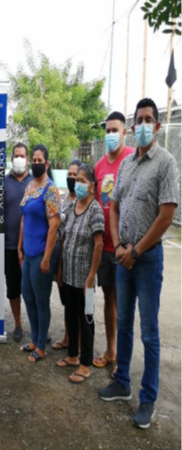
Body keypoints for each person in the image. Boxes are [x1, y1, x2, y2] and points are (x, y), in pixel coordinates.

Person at [99, 98, 179, 429]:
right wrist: (119, 245)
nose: (144, 124)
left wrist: (136, 251)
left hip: (147, 260)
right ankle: (122, 382)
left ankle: (148, 399)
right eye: (140, 120)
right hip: (123, 257)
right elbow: (115, 206)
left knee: (149, 331)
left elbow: (166, 215)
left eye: (149, 119)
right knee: (124, 324)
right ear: (134, 127)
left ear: (157, 126)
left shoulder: (166, 163)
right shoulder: (127, 164)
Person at [93, 112, 135, 371]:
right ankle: (111, 351)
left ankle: (123, 360)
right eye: (107, 130)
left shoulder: (132, 158)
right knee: (109, 298)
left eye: (114, 130)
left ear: (124, 132)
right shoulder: (99, 166)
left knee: (124, 303)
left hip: (125, 247)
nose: (110, 134)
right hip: (105, 246)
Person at [56, 164, 104, 383]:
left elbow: (99, 245)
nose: (79, 184)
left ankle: (85, 365)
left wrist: (91, 277)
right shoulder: (72, 206)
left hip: (86, 279)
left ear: (92, 186)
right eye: (77, 180)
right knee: (71, 315)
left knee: (86, 320)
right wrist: (60, 268)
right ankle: (73, 356)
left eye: (83, 181)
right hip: (69, 275)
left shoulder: (95, 210)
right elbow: (63, 234)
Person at [18, 144, 60, 361]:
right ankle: (34, 339)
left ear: (47, 163)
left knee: (41, 300)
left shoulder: (50, 190)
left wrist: (46, 259)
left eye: (39, 161)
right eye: (33, 160)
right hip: (28, 253)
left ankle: (42, 346)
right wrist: (20, 248)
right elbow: (24, 218)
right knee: (27, 295)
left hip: (42, 254)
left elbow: (54, 226)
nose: (36, 163)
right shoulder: (29, 186)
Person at [51, 159, 82, 351]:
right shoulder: (61, 199)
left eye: (75, 175)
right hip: (62, 258)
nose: (71, 178)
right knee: (67, 302)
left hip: (80, 261)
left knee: (80, 304)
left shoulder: (85, 202)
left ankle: (78, 343)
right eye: (69, 174)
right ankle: (67, 337)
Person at [4, 142, 32, 342]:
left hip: (31, 247)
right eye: (16, 156)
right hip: (9, 245)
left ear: (27, 159)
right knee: (13, 288)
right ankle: (18, 324)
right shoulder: (4, 182)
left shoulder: (35, 182)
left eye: (22, 156)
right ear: (12, 158)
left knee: (33, 289)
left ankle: (38, 326)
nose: (19, 159)